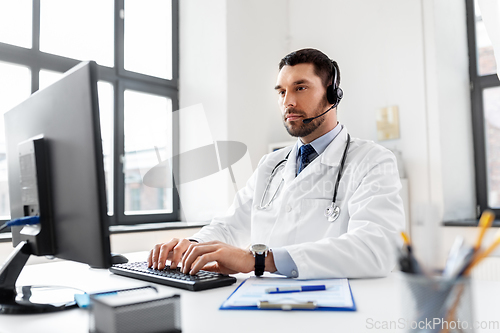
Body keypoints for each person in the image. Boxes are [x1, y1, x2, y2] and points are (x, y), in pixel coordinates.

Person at [148, 48, 405, 279]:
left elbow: (377, 249)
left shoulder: (373, 160)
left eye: (300, 88)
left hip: (332, 307)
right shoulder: (271, 165)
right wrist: (192, 245)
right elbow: (231, 224)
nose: (287, 102)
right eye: (281, 91)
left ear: (332, 95)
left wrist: (260, 260)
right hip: (263, 301)